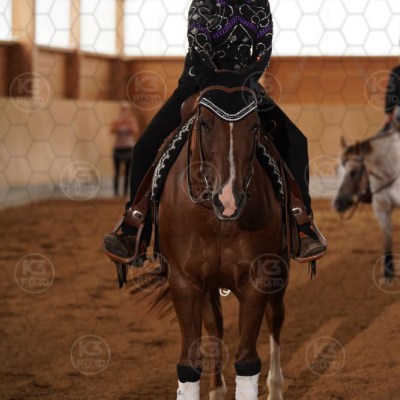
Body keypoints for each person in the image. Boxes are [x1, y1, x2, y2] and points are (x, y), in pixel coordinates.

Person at [103, 0, 326, 263]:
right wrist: (220, 84)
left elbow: (262, 50)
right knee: (144, 148)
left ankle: (302, 224)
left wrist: (244, 81)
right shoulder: (203, 2)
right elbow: (199, 50)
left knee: (296, 142)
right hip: (199, 83)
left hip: (245, 87)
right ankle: (134, 228)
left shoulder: (259, 3)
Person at [110, 102, 140, 197]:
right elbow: (111, 131)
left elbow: (136, 131)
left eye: (126, 109)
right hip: (118, 148)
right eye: (123, 109)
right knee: (117, 172)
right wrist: (119, 123)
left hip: (128, 148)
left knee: (127, 172)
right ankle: (116, 193)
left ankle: (125, 193)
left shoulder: (132, 120)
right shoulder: (116, 120)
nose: (125, 111)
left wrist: (129, 123)